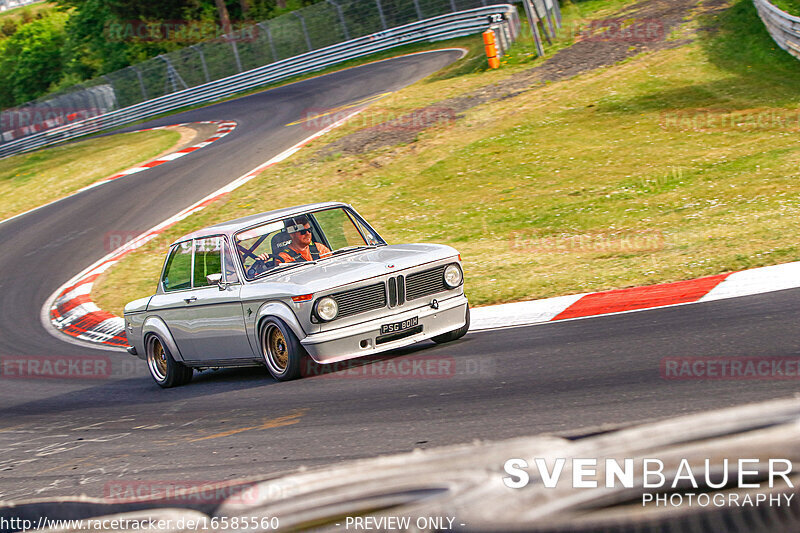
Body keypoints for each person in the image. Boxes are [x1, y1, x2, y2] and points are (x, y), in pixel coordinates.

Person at [258, 215, 331, 264]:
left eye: (310, 230)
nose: (308, 233)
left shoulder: (320, 248)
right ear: (292, 234)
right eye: (303, 231)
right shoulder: (284, 257)